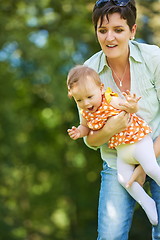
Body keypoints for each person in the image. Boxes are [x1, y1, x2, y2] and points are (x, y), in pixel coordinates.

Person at [69, 0, 160, 239]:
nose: (110, 37)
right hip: (116, 159)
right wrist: (111, 128)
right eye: (102, 30)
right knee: (110, 236)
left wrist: (143, 168)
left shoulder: (153, 58)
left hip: (157, 149)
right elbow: (91, 139)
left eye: (118, 29)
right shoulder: (87, 71)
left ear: (132, 31)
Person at [67, 64, 160, 225]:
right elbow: (85, 127)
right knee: (124, 180)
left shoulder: (110, 100)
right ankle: (147, 202)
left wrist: (132, 104)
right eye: (79, 100)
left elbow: (130, 109)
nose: (86, 103)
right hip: (122, 151)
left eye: (89, 97)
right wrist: (79, 132)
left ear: (101, 88)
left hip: (138, 140)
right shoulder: (85, 112)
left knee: (151, 167)